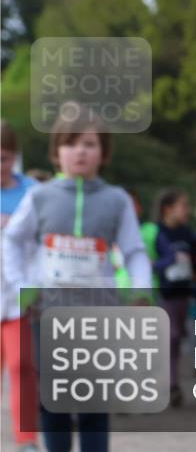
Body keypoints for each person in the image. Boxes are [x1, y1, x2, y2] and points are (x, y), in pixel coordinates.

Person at [3, 104, 152, 452]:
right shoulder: (39, 197)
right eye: (70, 143)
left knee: (93, 405)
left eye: (89, 144)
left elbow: (133, 250)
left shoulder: (117, 200)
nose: (80, 152)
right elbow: (12, 241)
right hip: (48, 314)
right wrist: (23, 287)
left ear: (104, 152)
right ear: (56, 152)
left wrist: (141, 291)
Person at [0, 122, 40, 452]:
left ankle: (26, 438)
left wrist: (12, 225)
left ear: (14, 156)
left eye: (3, 158)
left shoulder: (33, 193)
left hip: (18, 295)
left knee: (21, 365)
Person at [152, 187, 196, 407]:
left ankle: (173, 384)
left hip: (185, 293)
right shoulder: (156, 232)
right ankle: (168, 384)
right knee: (172, 336)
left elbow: (195, 260)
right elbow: (150, 260)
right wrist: (164, 263)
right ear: (168, 209)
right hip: (163, 293)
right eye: (183, 205)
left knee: (178, 339)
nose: (187, 210)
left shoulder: (187, 233)